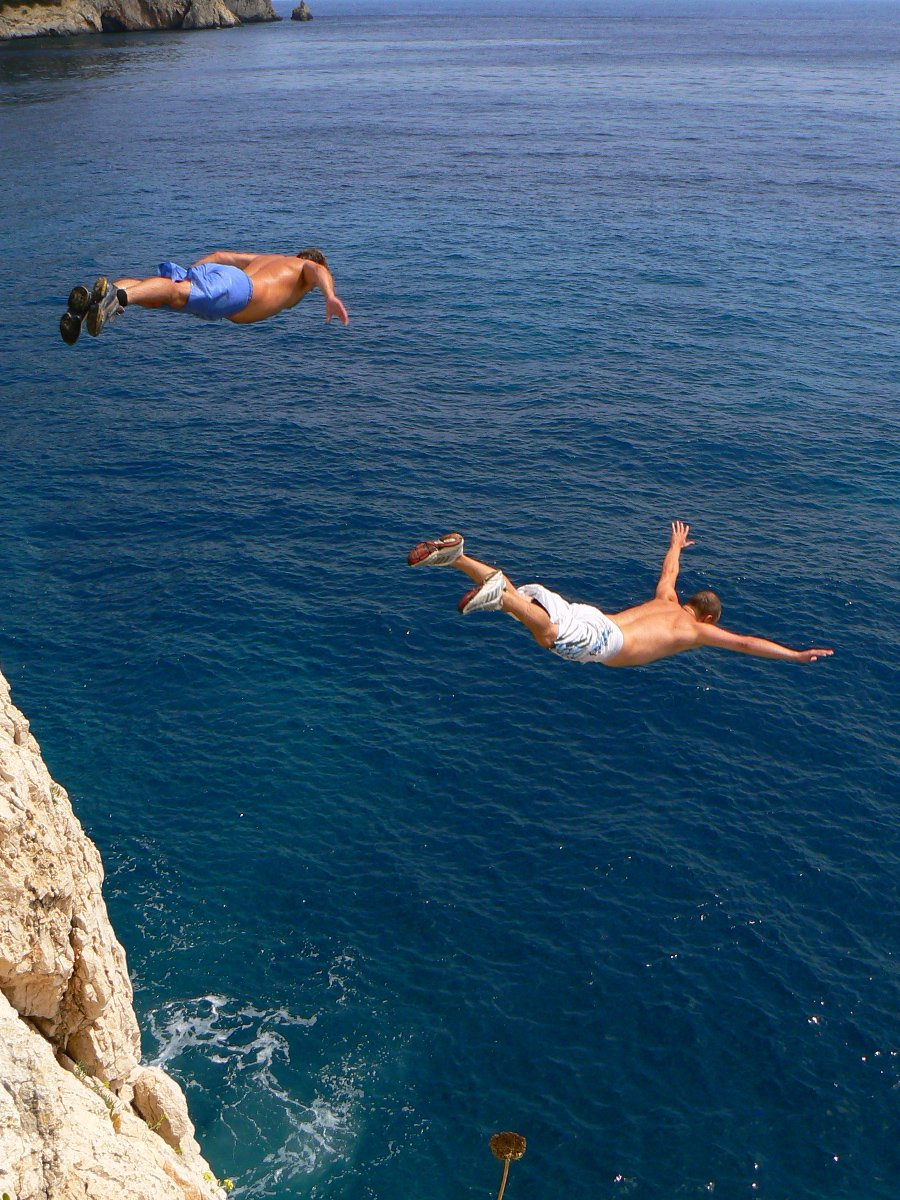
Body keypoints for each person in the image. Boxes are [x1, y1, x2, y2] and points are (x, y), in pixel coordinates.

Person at [407, 522, 833, 668]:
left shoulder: (668, 598)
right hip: (607, 641)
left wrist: (676, 545)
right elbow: (744, 643)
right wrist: (793, 655)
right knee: (548, 637)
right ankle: (500, 597)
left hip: (596, 617)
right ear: (708, 619)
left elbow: (670, 572)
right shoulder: (694, 631)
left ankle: (459, 558)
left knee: (532, 605)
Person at [59, 248, 349, 344]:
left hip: (226, 282)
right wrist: (330, 295)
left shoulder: (268, 258)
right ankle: (115, 297)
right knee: (173, 294)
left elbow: (222, 255)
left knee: (159, 294)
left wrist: (192, 273)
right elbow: (316, 270)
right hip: (239, 292)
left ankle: (86, 310)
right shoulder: (304, 269)